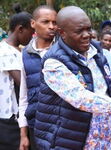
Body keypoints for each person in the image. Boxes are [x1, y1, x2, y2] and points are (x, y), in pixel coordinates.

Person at [33, 6, 111, 149]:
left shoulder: (96, 52)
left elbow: (106, 91)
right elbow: (80, 97)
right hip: (69, 141)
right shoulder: (53, 62)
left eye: (88, 29)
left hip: (102, 140)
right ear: (62, 33)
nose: (87, 35)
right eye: (79, 31)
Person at [18, 6, 57, 150]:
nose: (51, 26)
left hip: (61, 127)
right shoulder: (25, 55)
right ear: (33, 24)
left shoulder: (63, 51)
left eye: (54, 22)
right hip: (36, 127)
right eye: (45, 22)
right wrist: (23, 135)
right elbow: (23, 98)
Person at [0, 7, 34, 150]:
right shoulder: (6, 52)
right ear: (20, 29)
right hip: (8, 118)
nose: (32, 37)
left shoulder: (15, 50)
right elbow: (23, 84)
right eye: (31, 33)